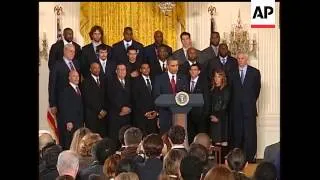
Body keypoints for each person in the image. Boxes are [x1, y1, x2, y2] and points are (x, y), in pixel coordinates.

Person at [229, 52, 261, 162]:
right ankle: (237, 160)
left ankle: (250, 158)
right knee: (237, 135)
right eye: (238, 58)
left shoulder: (255, 72)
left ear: (246, 59)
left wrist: (248, 102)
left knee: (250, 135)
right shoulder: (232, 73)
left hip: (249, 110)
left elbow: (256, 91)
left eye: (242, 58)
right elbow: (231, 92)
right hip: (236, 110)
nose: (240, 60)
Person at [153, 58, 188, 134]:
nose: (176, 68)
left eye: (177, 65)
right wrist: (158, 115)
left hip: (180, 115)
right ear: (167, 66)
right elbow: (156, 97)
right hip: (165, 114)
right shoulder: (159, 78)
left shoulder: (183, 78)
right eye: (173, 66)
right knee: (165, 138)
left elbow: (186, 95)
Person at [48, 44, 81, 123]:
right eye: (70, 51)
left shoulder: (76, 63)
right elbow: (52, 85)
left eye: (74, 52)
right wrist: (52, 104)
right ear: (64, 51)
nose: (73, 53)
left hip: (76, 102)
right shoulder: (57, 65)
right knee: (65, 129)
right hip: (62, 103)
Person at [106, 63, 132, 148]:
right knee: (115, 140)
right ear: (116, 71)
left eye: (123, 69)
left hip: (128, 116)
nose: (122, 71)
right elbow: (110, 97)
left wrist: (129, 108)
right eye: (119, 69)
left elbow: (134, 96)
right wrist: (121, 108)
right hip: (116, 115)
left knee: (126, 139)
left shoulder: (130, 81)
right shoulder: (110, 82)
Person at [58, 70, 84, 149]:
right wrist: (68, 121)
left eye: (78, 76)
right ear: (69, 78)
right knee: (69, 144)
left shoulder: (79, 89)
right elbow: (63, 107)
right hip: (70, 123)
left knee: (76, 144)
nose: (77, 78)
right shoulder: (65, 90)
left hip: (78, 122)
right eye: (74, 76)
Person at [81, 62, 108, 137]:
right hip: (92, 116)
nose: (97, 70)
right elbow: (87, 99)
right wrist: (99, 110)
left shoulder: (104, 80)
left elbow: (106, 96)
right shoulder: (86, 82)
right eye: (94, 68)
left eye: (98, 68)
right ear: (90, 69)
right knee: (93, 139)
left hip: (104, 116)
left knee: (103, 138)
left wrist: (104, 110)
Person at [132, 62, 158, 135]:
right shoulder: (136, 81)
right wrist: (145, 113)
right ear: (140, 70)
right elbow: (135, 99)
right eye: (144, 68)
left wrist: (155, 111)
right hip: (141, 116)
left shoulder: (155, 80)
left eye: (148, 68)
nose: (146, 70)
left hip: (154, 116)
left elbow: (157, 96)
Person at [186, 63, 209, 144]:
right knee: (190, 138)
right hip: (188, 115)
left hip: (200, 116)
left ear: (199, 71)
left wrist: (205, 114)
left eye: (195, 70)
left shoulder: (204, 83)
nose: (193, 72)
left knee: (200, 139)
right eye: (191, 70)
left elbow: (206, 99)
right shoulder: (185, 81)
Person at [208, 69, 230, 146]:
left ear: (223, 78)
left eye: (219, 76)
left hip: (222, 119)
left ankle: (222, 158)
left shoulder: (226, 89)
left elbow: (225, 104)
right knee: (215, 142)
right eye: (215, 76)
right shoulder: (212, 89)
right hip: (212, 118)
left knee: (223, 143)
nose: (216, 78)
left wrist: (218, 117)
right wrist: (211, 115)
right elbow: (210, 104)